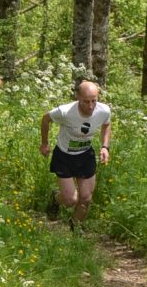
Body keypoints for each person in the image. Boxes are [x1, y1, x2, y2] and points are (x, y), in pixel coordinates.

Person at [40, 79, 111, 232]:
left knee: (85, 198)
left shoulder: (103, 110)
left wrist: (105, 146)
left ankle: (75, 228)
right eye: (86, 102)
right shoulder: (65, 111)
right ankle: (55, 198)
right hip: (64, 156)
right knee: (71, 200)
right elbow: (46, 119)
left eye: (94, 101)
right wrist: (44, 143)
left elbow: (106, 124)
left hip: (85, 156)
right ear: (78, 97)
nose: (91, 106)